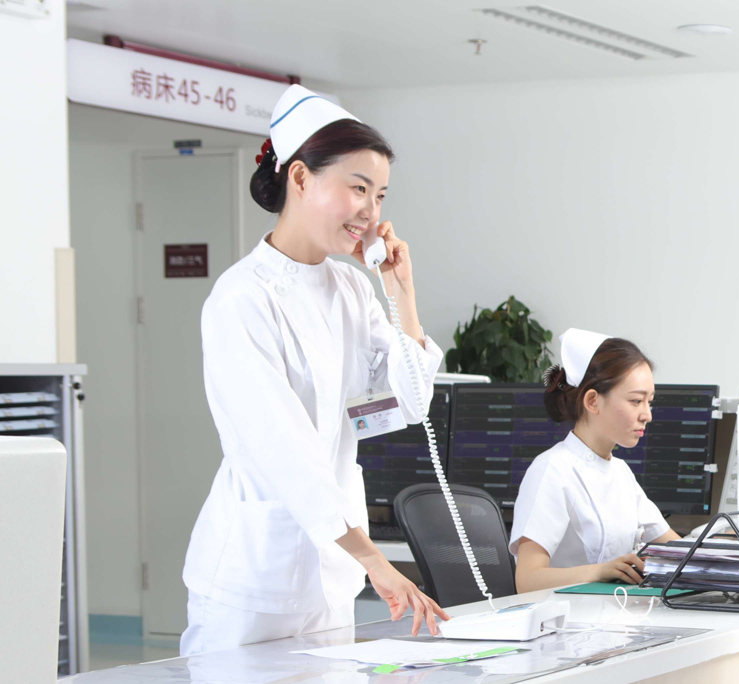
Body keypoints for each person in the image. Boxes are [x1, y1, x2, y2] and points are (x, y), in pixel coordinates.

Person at [182, 85, 447, 655]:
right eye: (358, 188)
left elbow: (411, 402)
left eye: (380, 195)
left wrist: (401, 293)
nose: (371, 212)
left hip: (332, 575)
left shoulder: (351, 287)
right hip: (254, 580)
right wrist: (374, 559)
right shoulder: (242, 298)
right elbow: (283, 448)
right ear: (300, 178)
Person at [509, 329, 683, 592]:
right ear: (592, 401)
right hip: (566, 615)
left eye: (650, 402)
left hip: (614, 610)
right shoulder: (552, 470)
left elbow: (676, 547)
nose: (647, 415)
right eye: (636, 401)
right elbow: (527, 580)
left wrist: (724, 546)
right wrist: (599, 572)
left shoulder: (620, 472)